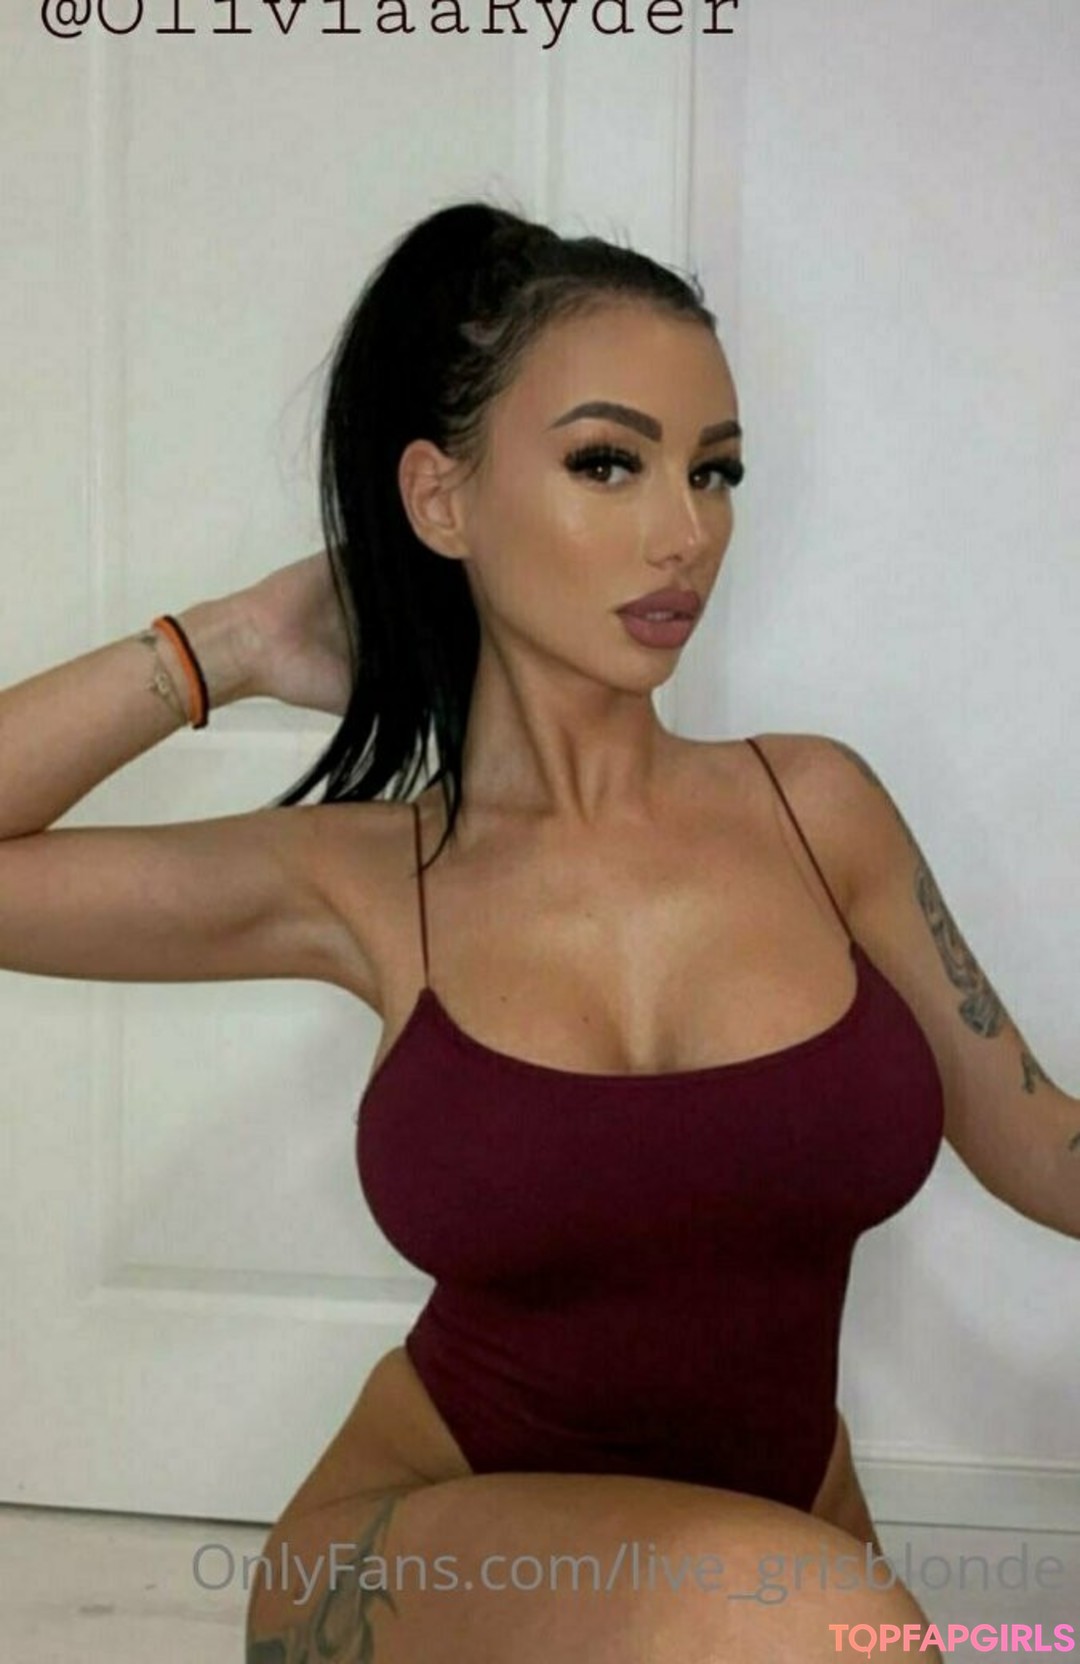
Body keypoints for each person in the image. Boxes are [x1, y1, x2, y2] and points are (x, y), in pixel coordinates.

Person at [8, 199, 1076, 1664]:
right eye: (606, 463)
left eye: (714, 471)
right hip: (413, 1567)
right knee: (834, 1627)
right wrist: (229, 645)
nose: (684, 532)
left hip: (779, 1568)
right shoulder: (374, 879)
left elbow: (1047, 1148)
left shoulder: (819, 811)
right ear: (441, 501)